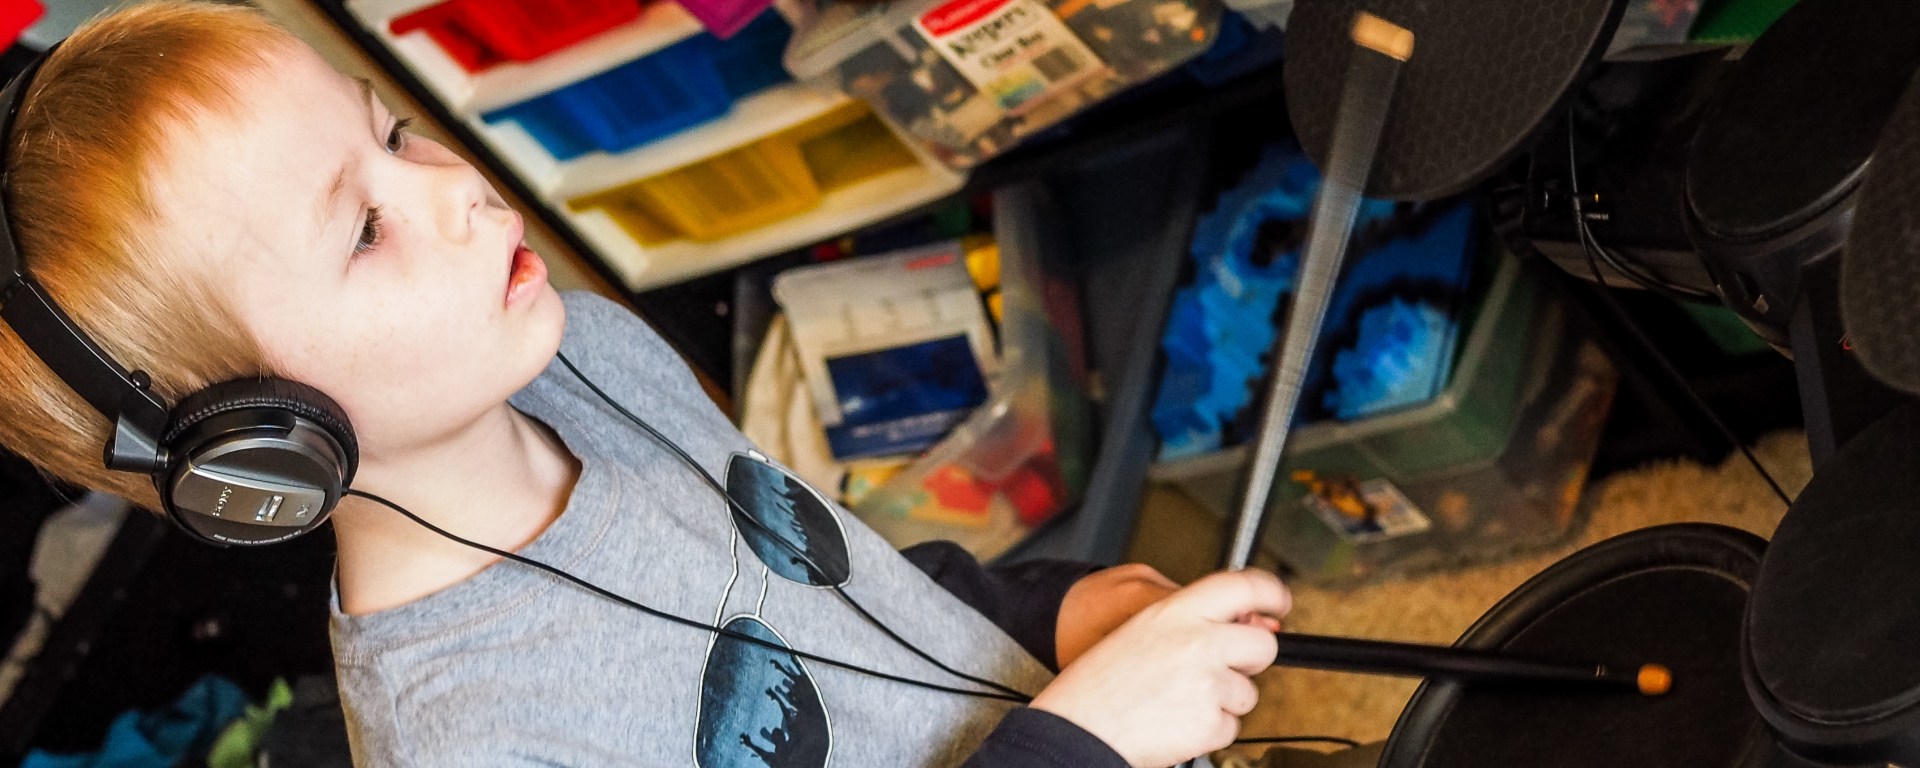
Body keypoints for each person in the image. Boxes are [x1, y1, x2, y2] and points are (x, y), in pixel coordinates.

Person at [0, 3, 1299, 765]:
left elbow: (834, 588)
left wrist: (1039, 615)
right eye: (365, 228)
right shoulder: (477, 738)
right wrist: (1081, 742)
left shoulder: (587, 349)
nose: (456, 190)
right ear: (254, 449)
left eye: (393, 132)